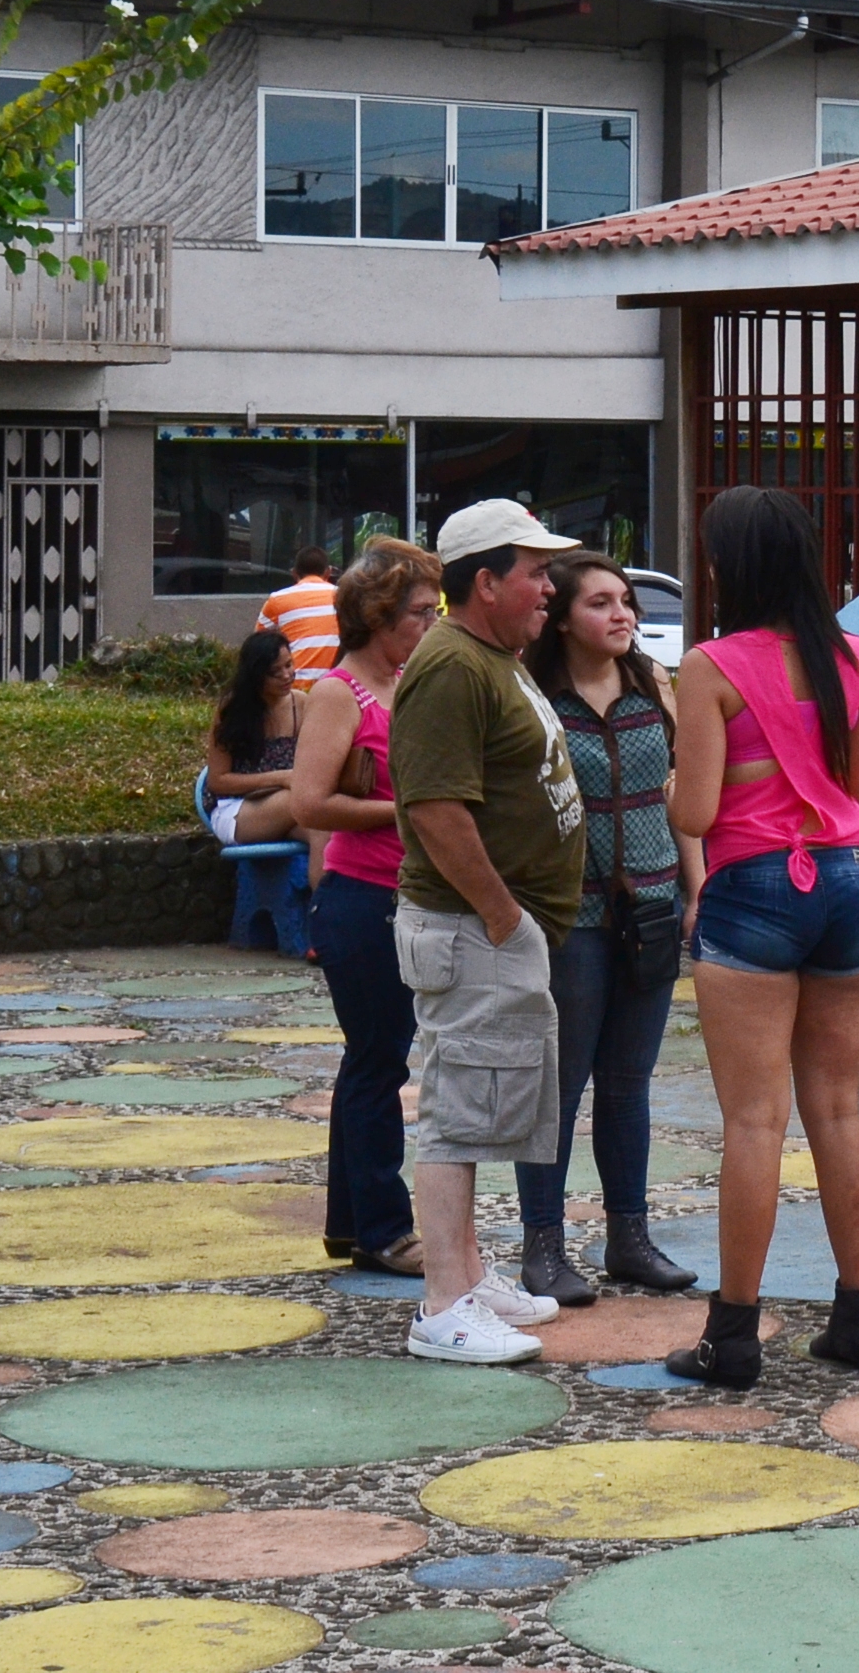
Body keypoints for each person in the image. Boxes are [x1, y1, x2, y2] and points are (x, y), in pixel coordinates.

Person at [667, 486, 859, 1383]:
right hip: (844, 885)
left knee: (754, 1120)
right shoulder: (856, 659)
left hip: (753, 889)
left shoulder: (710, 667)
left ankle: (733, 1334)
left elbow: (696, 807)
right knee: (839, 1106)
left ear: (734, 566)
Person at [389, 498, 586, 1365]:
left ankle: (466, 1274)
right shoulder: (451, 668)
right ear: (485, 582)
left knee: (481, 1102)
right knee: (457, 1113)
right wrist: (505, 917)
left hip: (492, 928)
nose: (549, 587)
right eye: (534, 572)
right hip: (472, 927)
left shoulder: (489, 656)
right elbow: (435, 806)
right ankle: (443, 1304)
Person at [515, 552, 701, 1306]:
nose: (623, 614)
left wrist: (698, 882)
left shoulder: (654, 684)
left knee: (629, 1080)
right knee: (557, 1083)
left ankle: (630, 1236)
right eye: (601, 603)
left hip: (651, 903)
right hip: (572, 912)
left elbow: (680, 787)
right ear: (560, 617)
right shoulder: (533, 694)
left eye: (626, 601)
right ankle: (544, 1246)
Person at [289, 536, 442, 1277]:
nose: (428, 624)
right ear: (377, 617)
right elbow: (309, 799)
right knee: (380, 1064)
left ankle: (354, 1222)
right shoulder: (336, 694)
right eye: (418, 613)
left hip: (401, 893)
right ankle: (384, 1226)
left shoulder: (410, 683)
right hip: (361, 897)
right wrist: (403, 811)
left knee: (371, 1062)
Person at [204, 631, 307, 845]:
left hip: (288, 805)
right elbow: (218, 781)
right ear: (256, 675)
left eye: (289, 665)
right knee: (307, 799)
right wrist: (281, 778)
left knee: (327, 836)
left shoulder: (301, 704)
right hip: (237, 808)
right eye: (274, 672)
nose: (286, 676)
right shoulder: (233, 709)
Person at [259, 546, 343, 684]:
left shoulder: (277, 599)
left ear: (294, 573)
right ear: (328, 572)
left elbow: (260, 646)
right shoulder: (344, 596)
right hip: (337, 684)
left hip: (294, 685)